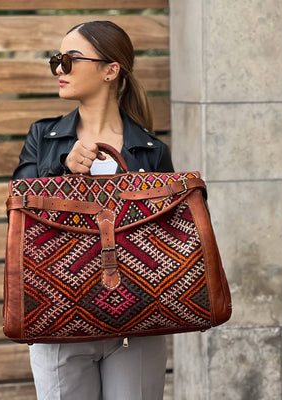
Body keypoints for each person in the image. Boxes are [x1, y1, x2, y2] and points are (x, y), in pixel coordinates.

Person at [12, 20, 174, 400]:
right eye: (57, 60)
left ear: (110, 70)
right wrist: (62, 170)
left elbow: (171, 233)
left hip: (137, 319)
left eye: (70, 59)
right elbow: (18, 217)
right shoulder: (43, 138)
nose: (59, 69)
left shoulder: (151, 151)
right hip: (58, 316)